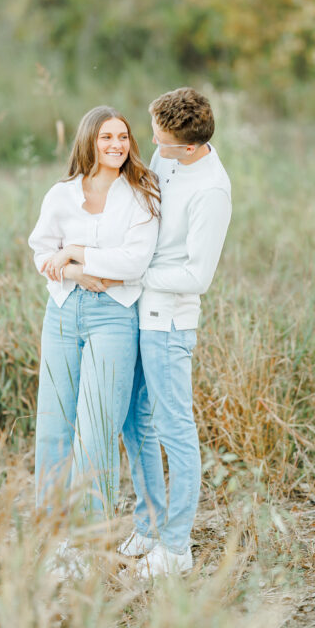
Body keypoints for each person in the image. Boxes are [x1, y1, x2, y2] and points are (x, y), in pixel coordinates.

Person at [117, 87, 233, 577]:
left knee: (175, 431)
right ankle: (148, 527)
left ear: (188, 146)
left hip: (169, 324)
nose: (151, 143)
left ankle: (177, 547)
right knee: (132, 420)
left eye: (159, 140)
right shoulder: (170, 158)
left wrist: (134, 273)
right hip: (137, 313)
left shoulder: (211, 190)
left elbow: (197, 276)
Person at [27, 106, 160, 519]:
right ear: (89, 140)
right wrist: (77, 273)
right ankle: (52, 530)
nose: (116, 145)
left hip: (115, 317)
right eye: (107, 137)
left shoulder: (141, 195)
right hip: (64, 311)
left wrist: (75, 253)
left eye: (123, 137)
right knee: (54, 422)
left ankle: (88, 535)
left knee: (97, 427)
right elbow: (40, 252)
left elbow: (133, 264)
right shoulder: (61, 194)